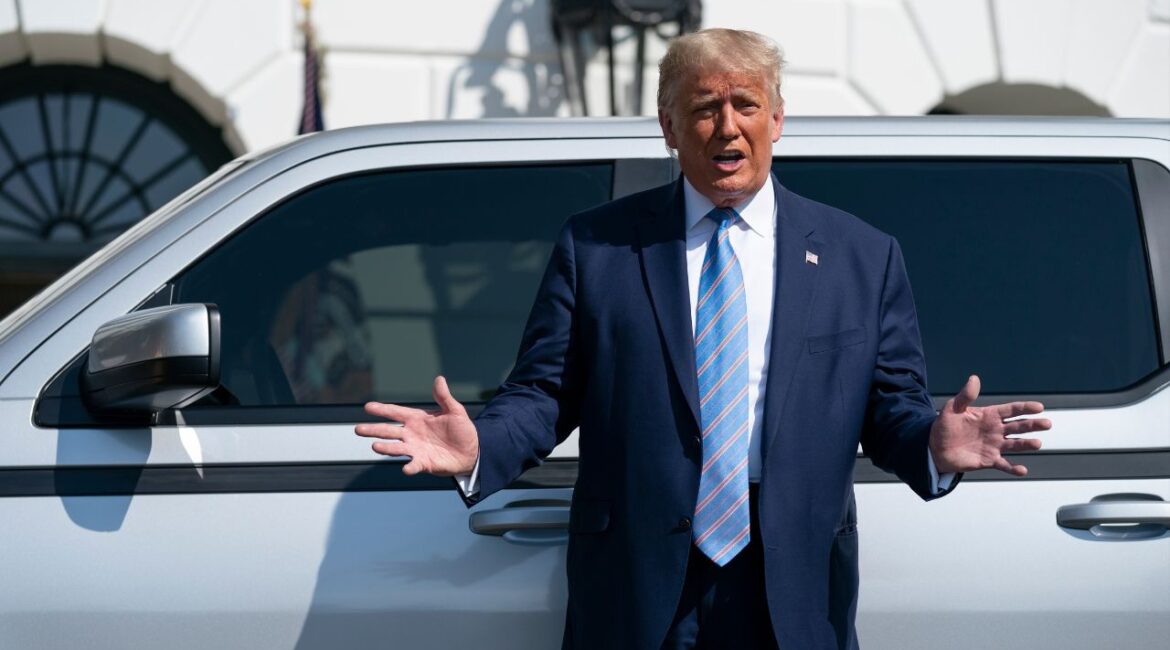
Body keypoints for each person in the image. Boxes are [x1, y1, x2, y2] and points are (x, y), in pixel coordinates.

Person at [355, 28, 1051, 650]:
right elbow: (543, 392)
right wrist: (483, 446)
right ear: (668, 126)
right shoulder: (598, 247)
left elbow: (888, 407)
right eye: (703, 108)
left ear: (777, 120)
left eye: (746, 105)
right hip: (639, 590)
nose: (727, 128)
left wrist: (932, 444)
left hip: (793, 587)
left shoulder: (861, 257)